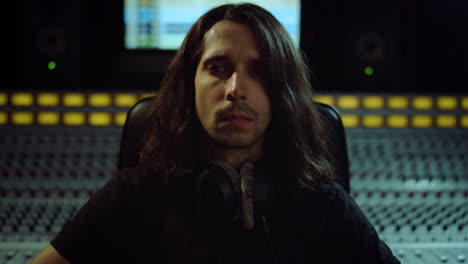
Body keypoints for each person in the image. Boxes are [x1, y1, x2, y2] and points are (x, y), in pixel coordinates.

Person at [31, 3, 400, 264]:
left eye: (259, 71)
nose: (236, 89)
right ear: (189, 84)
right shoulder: (130, 195)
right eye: (219, 67)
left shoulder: (326, 206)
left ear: (282, 94)